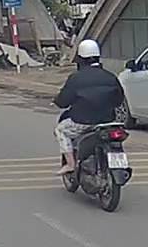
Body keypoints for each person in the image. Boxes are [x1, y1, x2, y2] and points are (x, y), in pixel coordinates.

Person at [53, 39, 125, 174]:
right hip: (108, 122)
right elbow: (119, 99)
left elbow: (64, 101)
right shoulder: (110, 76)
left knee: (61, 130)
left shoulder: (76, 78)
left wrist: (57, 101)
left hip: (83, 122)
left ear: (80, 59)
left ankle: (70, 164)